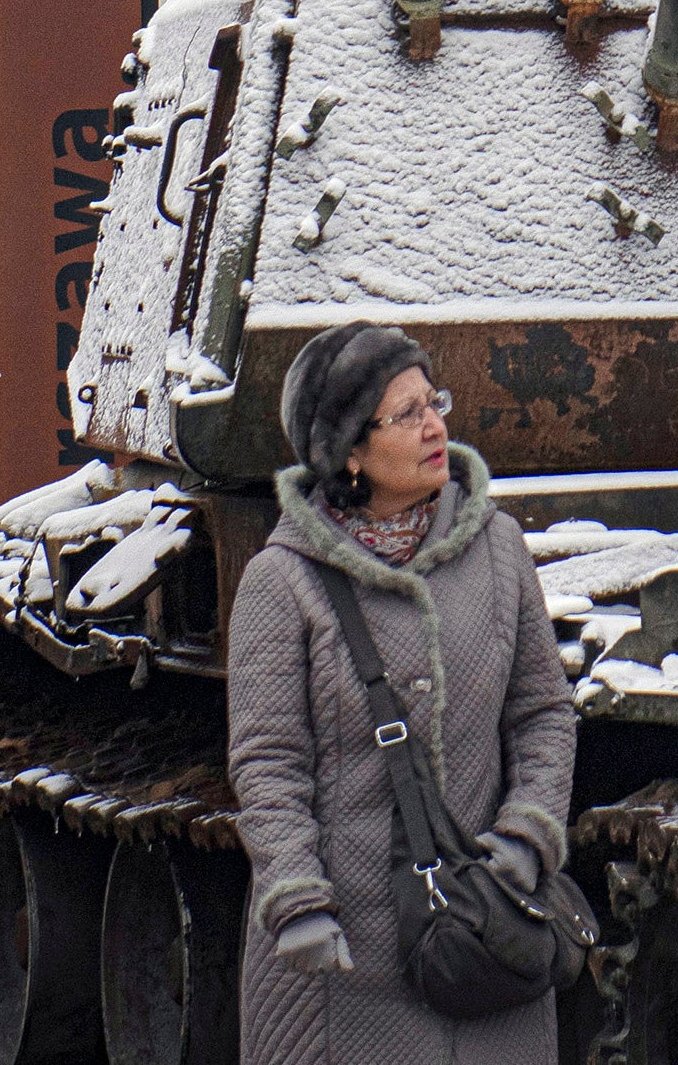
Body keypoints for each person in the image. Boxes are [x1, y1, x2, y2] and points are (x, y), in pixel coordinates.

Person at [226, 322, 580, 1065]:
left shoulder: (498, 549)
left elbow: (543, 711)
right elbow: (267, 762)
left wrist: (526, 834)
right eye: (406, 412)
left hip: (484, 947)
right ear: (349, 451)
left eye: (433, 400)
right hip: (341, 962)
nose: (434, 425)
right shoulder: (282, 580)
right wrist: (295, 896)